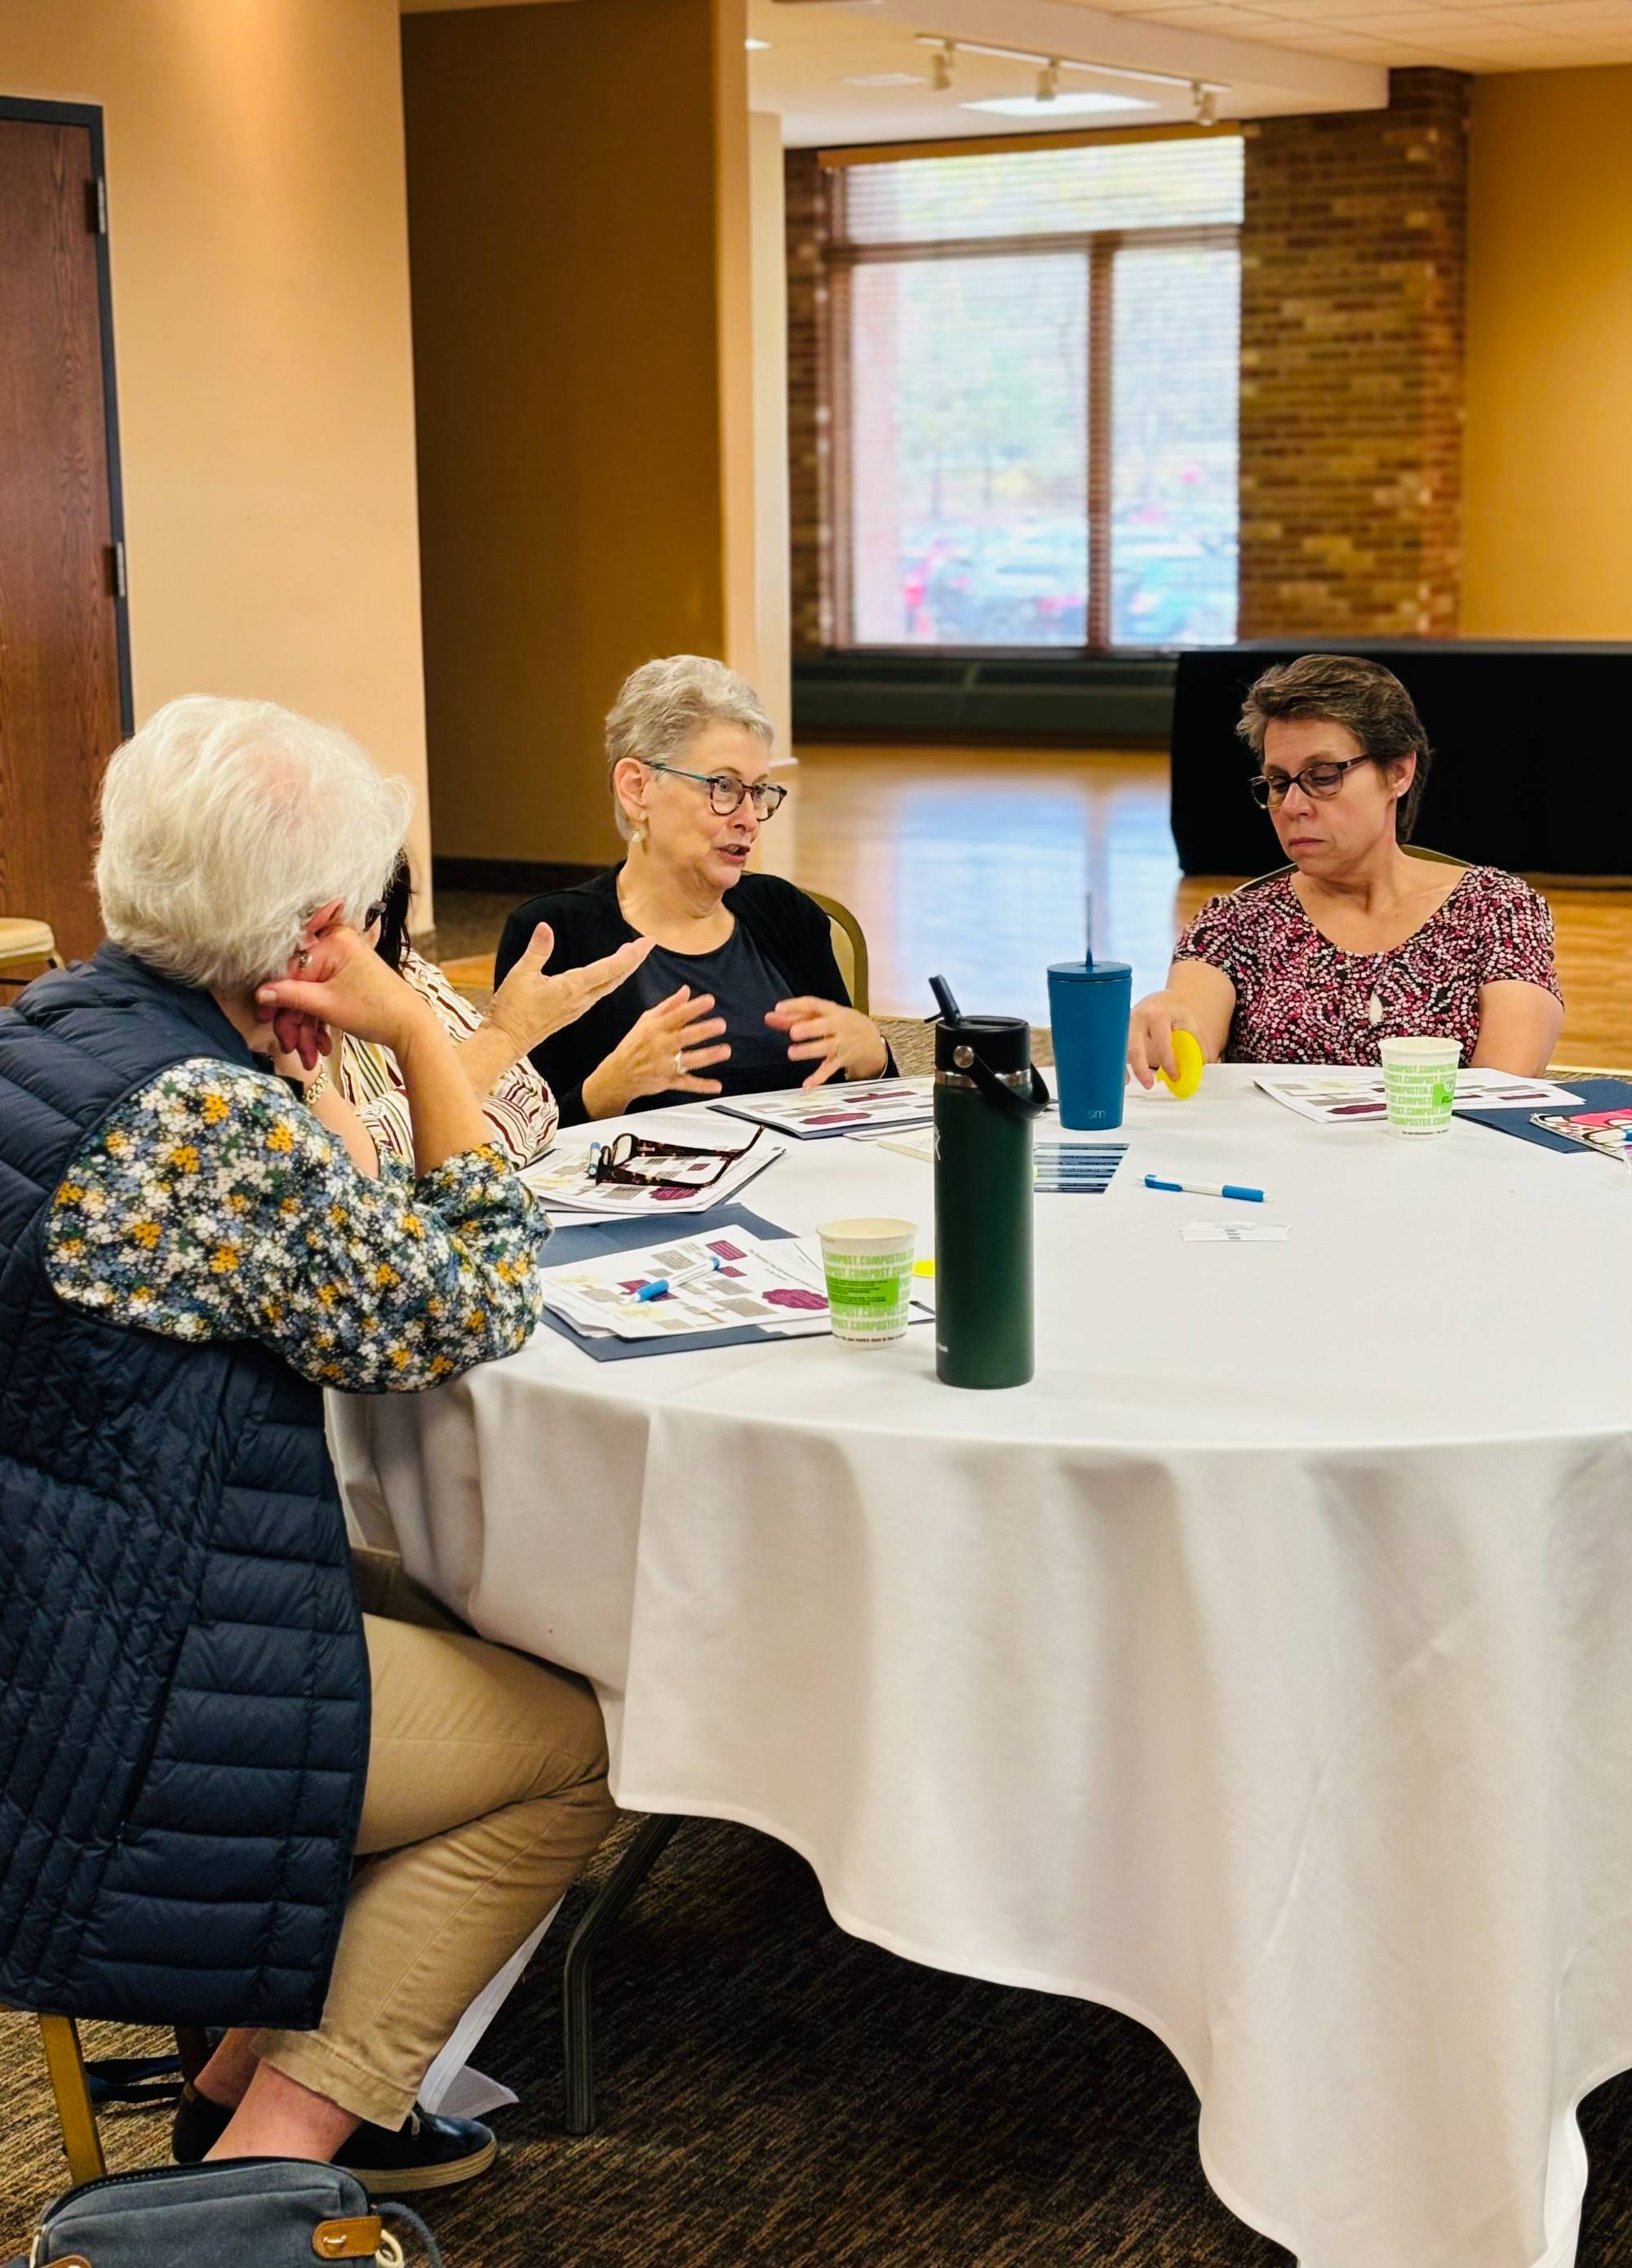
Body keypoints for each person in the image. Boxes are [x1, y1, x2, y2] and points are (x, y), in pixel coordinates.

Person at [0, 695, 650, 2192]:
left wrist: (295, 1089)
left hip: (66, 1590)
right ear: (319, 925)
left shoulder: (50, 1033)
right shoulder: (203, 1122)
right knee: (583, 1739)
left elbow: (328, 1268)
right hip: (112, 1699)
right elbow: (469, 1302)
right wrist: (421, 1027)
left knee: (480, 1615)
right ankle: (265, 2150)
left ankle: (239, 2060)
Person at [1128, 654, 1563, 1086]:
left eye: (1323, 776)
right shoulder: (1235, 922)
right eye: (1279, 783)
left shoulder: (1498, 910)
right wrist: (1171, 1016)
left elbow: (1505, 1090)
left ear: (1398, 772)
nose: (1294, 807)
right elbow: (1192, 1025)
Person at [495, 655, 893, 1125]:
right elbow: (509, 1146)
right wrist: (606, 1091)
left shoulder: (785, 911)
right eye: (723, 787)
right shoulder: (554, 936)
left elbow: (876, 1118)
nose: (748, 818)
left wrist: (874, 1056)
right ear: (636, 788)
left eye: (759, 791)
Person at [286, 851, 561, 1173]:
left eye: (371, 912)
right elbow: (335, 1175)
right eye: (327, 919)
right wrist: (496, 1044)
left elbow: (533, 1103)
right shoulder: (240, 1033)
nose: (355, 943)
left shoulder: (402, 970)